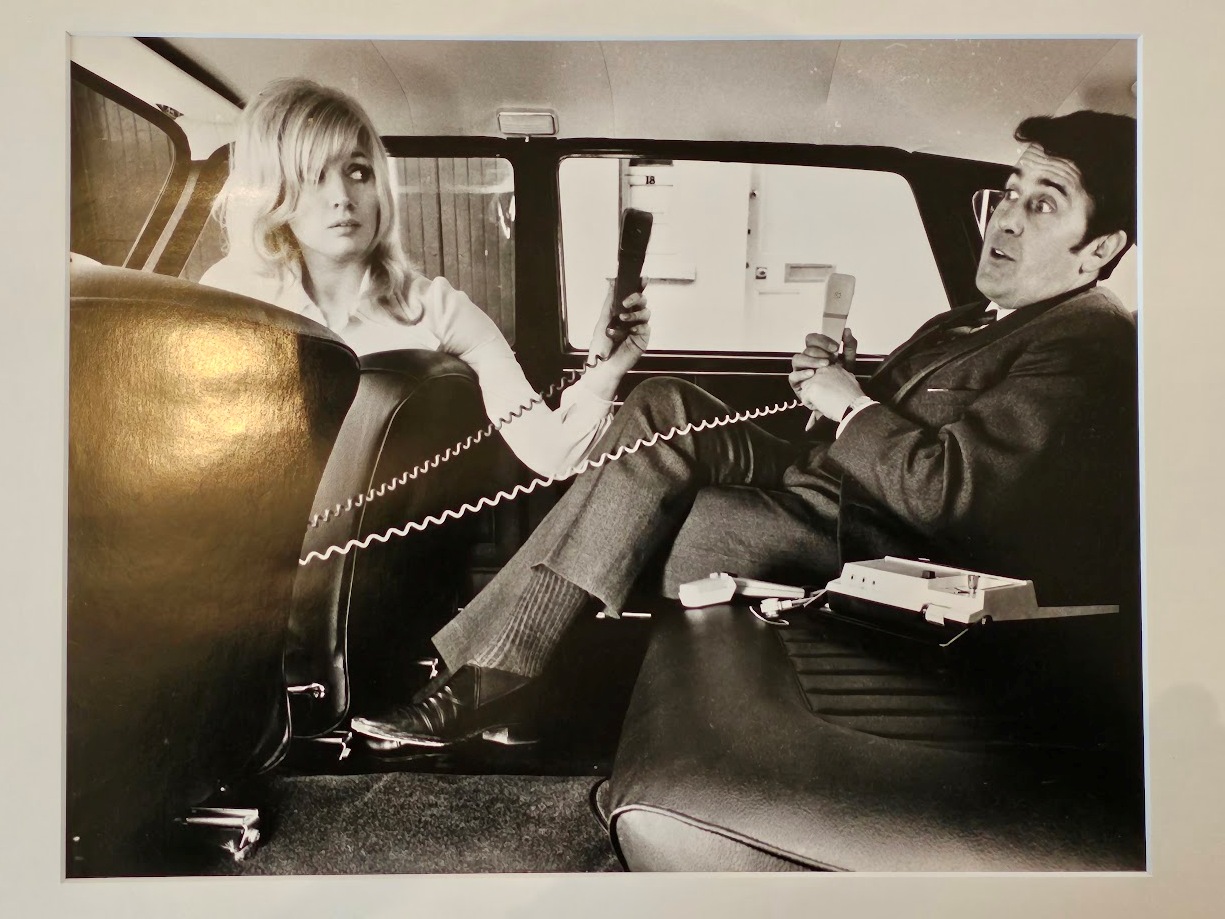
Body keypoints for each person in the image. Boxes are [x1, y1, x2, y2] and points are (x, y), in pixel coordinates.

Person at [350, 109, 1138, 752]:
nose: (1005, 215)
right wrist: (846, 384)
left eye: (1043, 202)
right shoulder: (973, 318)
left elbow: (949, 493)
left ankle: (492, 672)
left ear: (1099, 249)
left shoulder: (1085, 342)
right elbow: (910, 422)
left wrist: (849, 405)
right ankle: (497, 666)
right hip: (825, 476)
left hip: (866, 537)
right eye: (1007, 192)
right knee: (657, 402)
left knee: (658, 505)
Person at [200, 79, 650, 479]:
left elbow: (551, 454)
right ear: (277, 190)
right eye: (312, 176)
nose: (341, 197)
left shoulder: (439, 310)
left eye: (358, 172)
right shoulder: (229, 296)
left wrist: (604, 371)